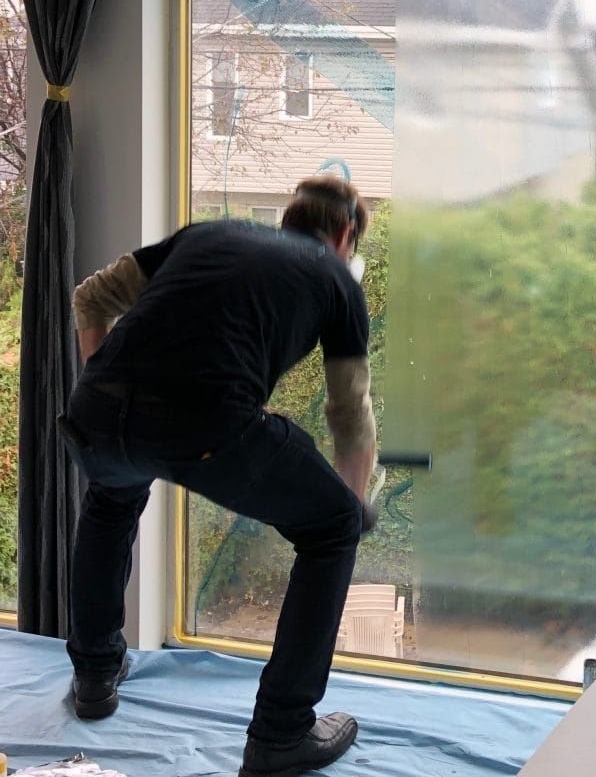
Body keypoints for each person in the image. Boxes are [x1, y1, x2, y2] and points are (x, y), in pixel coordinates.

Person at [59, 174, 377, 777]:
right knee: (334, 525)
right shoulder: (337, 280)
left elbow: (90, 297)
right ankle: (282, 732)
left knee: (111, 498)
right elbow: (350, 420)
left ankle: (95, 675)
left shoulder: (210, 234)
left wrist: (108, 391)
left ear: (291, 218)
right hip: (203, 423)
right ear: (344, 234)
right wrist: (351, 507)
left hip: (94, 415)